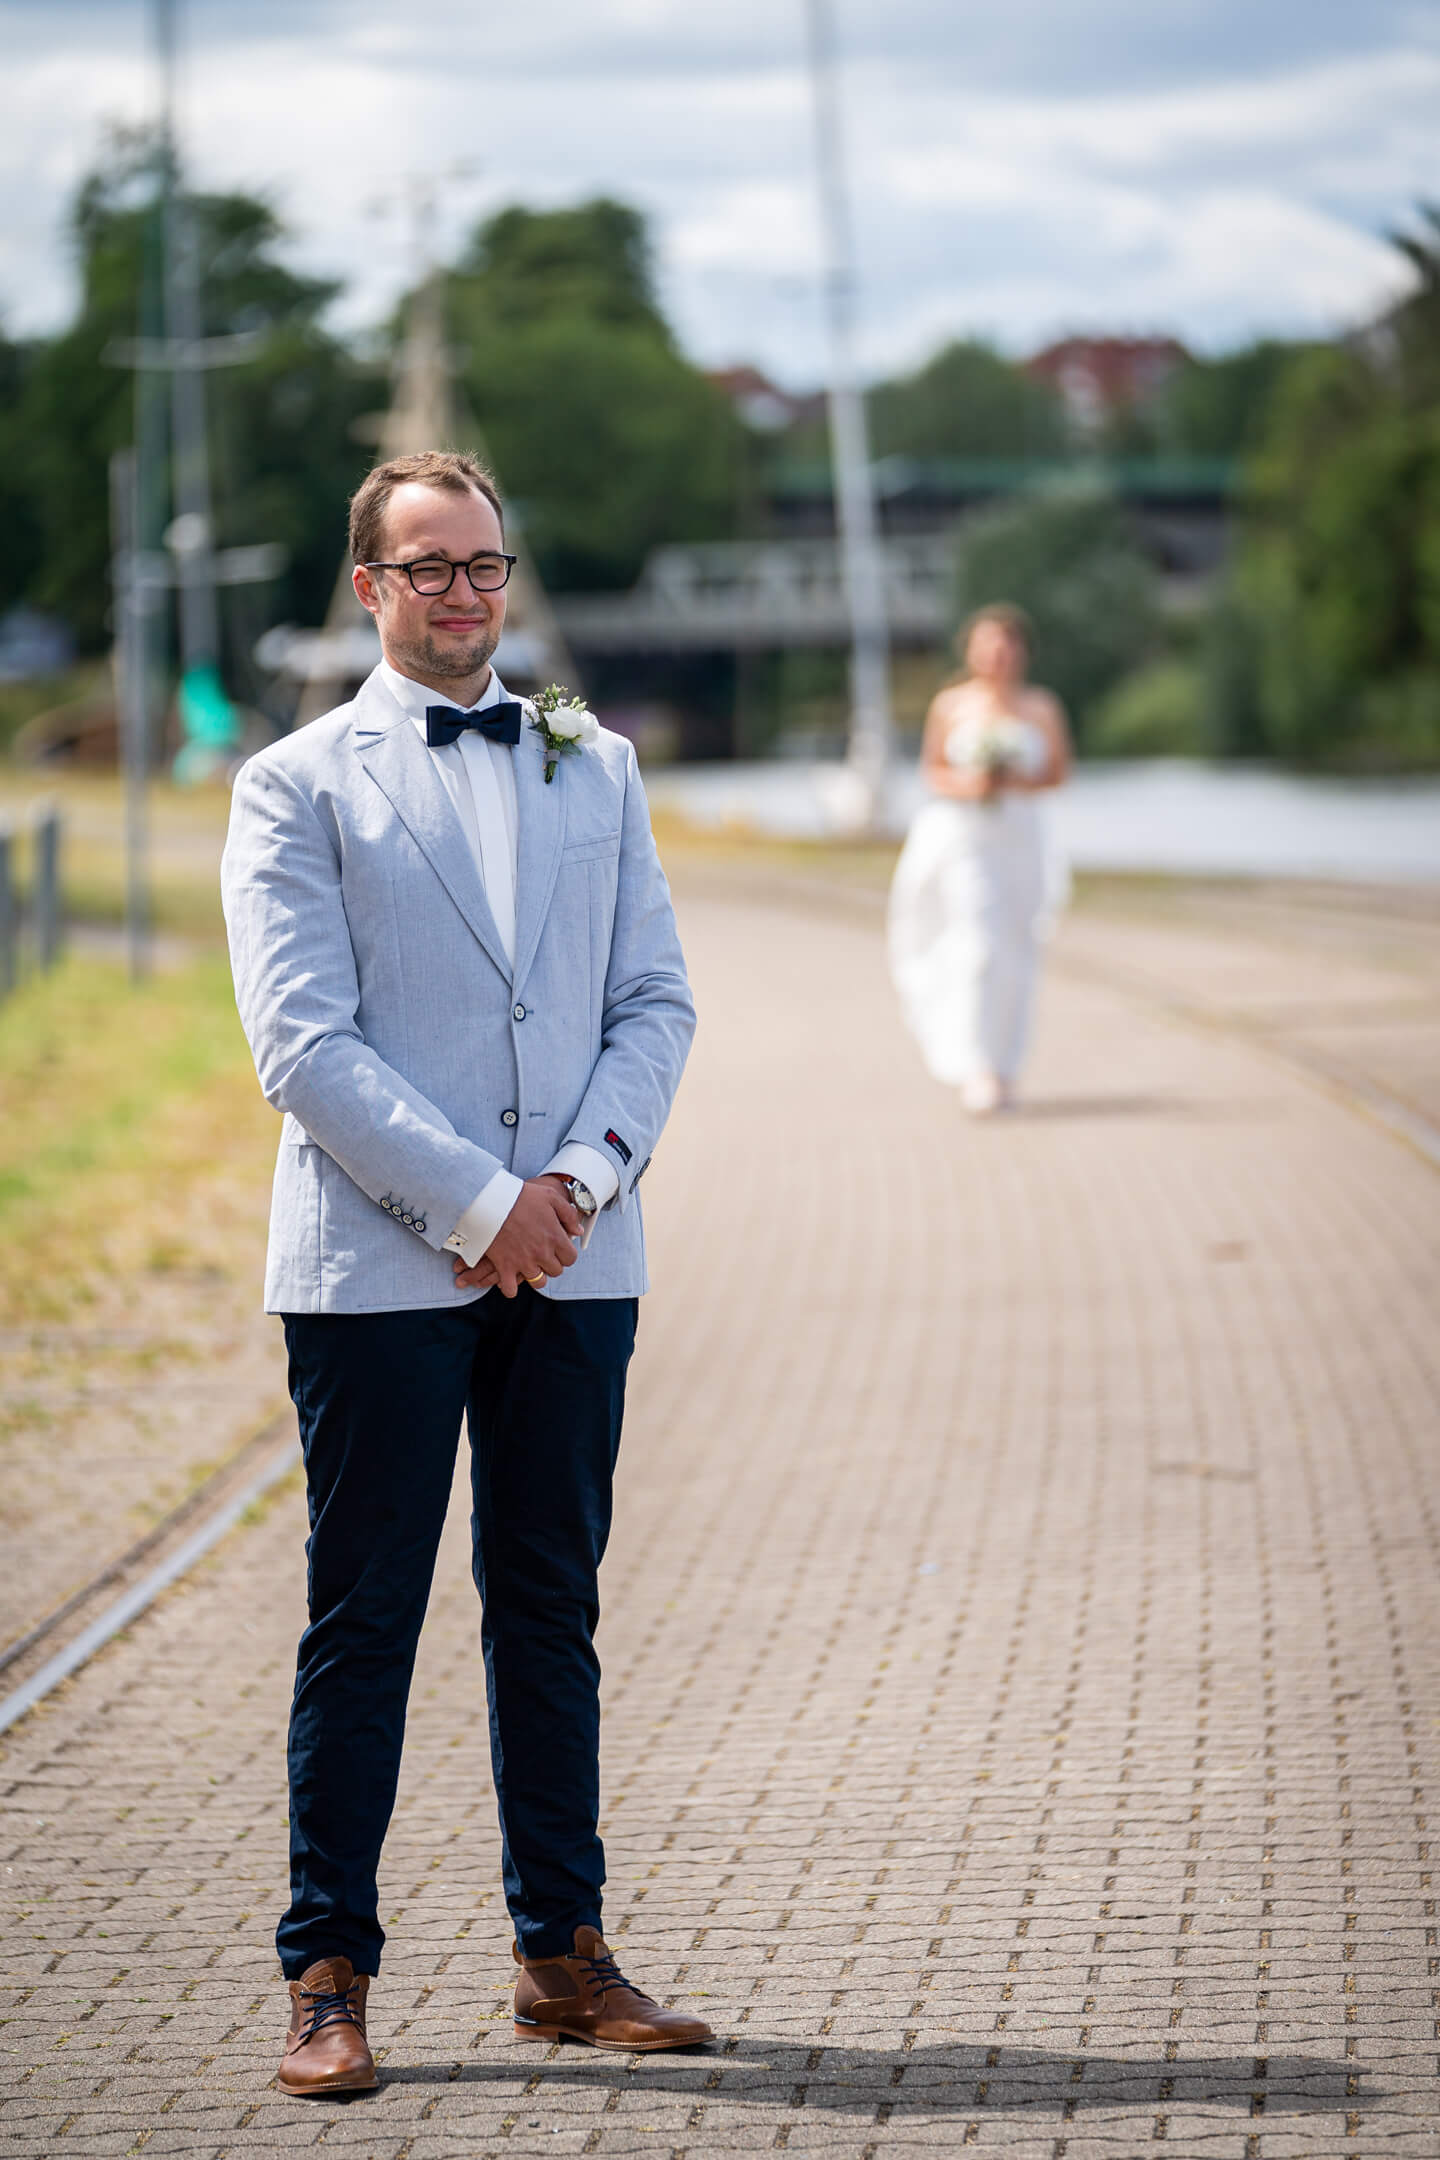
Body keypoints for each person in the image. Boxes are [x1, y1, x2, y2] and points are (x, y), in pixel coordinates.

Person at [221, 449, 710, 2096]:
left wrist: (574, 1183)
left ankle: (562, 1955)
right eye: (427, 566)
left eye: (484, 563)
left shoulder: (596, 763)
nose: (462, 592)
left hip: (577, 1253)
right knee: (363, 1620)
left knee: (550, 1610)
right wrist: (477, 1204)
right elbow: (303, 1046)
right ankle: (325, 1977)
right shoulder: (295, 783)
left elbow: (654, 1002)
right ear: (370, 585)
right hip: (376, 1268)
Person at [887, 604, 1071, 1112]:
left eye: (1008, 645)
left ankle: (1007, 1063)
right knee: (979, 944)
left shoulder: (1041, 706)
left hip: (1021, 839)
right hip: (966, 839)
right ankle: (979, 1066)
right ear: (971, 651)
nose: (999, 655)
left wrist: (1013, 780)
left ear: (1023, 652)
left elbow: (1059, 772)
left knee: (1017, 948)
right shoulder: (950, 705)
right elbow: (933, 771)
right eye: (989, 645)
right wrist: (974, 784)